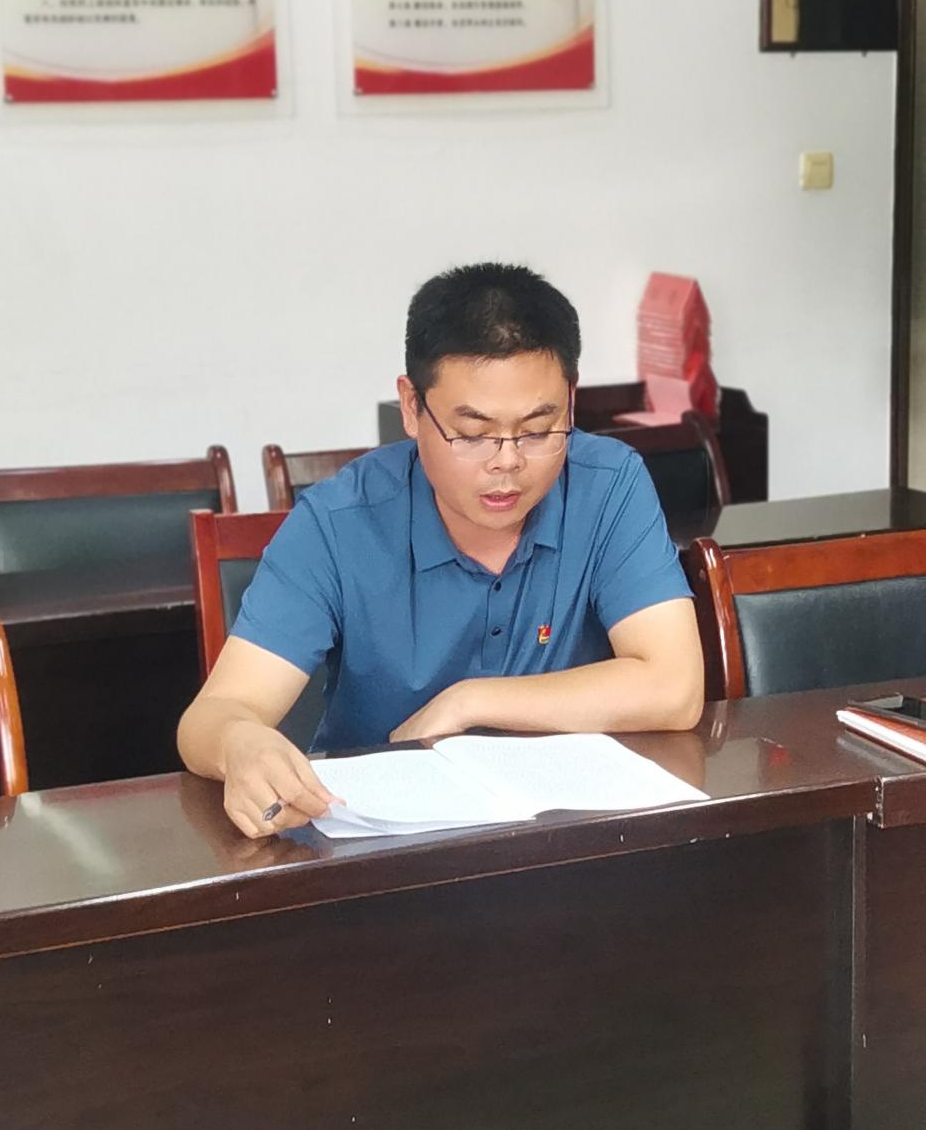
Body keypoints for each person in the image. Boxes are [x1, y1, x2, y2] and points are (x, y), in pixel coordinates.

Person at [178, 263, 705, 838]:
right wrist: (240, 741)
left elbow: (675, 689)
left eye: (537, 429)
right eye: (473, 433)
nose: (507, 461)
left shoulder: (607, 484)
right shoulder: (338, 523)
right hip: (384, 850)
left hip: (565, 842)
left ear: (570, 403)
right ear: (411, 406)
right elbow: (212, 716)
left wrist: (471, 701)